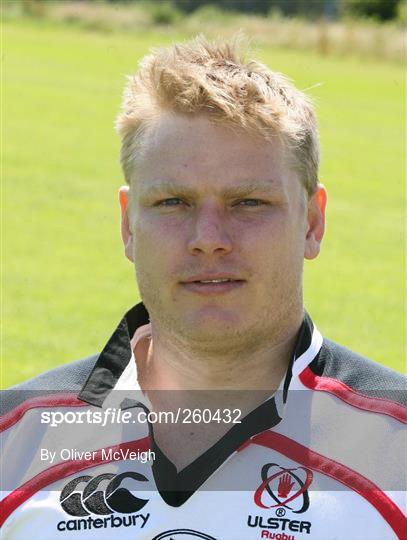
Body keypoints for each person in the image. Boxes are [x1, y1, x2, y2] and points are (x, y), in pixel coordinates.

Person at [1, 36, 405, 540]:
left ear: (312, 222)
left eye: (249, 203)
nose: (208, 240)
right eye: (173, 202)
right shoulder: (13, 441)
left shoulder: (397, 452)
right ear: (128, 225)